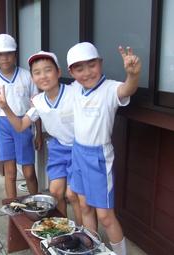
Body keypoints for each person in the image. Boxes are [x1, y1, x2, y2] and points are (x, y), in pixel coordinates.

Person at [67, 42, 141, 255]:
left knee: (106, 216)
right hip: (78, 152)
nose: (87, 72)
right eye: (79, 68)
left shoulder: (109, 88)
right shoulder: (74, 89)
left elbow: (127, 89)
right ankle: (91, 249)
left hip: (98, 156)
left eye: (92, 65)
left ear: (100, 64)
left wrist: (133, 75)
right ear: (71, 72)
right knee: (84, 207)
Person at [0, 51, 82, 223]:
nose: (43, 76)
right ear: (33, 77)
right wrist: (5, 107)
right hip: (58, 147)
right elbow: (20, 126)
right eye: (37, 72)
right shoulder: (39, 101)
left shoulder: (73, 92)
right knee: (56, 193)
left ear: (58, 72)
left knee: (74, 196)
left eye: (48, 70)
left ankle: (83, 232)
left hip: (78, 148)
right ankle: (64, 229)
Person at [0, 34, 41, 199]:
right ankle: (13, 209)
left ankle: (37, 204)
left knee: (29, 172)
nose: (4, 57)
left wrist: (38, 134)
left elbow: (36, 107)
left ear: (15, 54)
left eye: (8, 53)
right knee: (10, 173)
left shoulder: (27, 76)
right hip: (3, 127)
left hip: (24, 123)